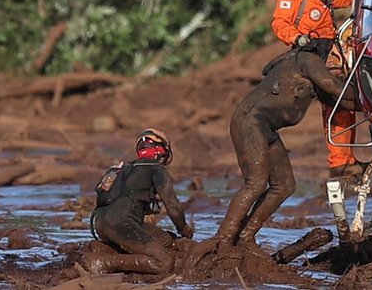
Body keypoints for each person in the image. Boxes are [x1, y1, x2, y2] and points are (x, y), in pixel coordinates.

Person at [214, 48, 357, 246]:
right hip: (250, 123)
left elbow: (342, 100)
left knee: (284, 186)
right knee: (255, 184)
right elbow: (332, 85)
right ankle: (222, 240)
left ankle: (245, 237)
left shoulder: (304, 71)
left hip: (265, 128)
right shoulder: (306, 58)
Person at [271, 0, 360, 179]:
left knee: (346, 101)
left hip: (330, 46)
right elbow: (280, 23)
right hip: (309, 52)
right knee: (335, 99)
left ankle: (347, 157)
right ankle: (338, 161)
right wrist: (297, 38)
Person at [86, 129, 193, 275]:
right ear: (161, 151)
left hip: (99, 224)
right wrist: (184, 229)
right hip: (121, 224)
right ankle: (103, 262)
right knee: (164, 263)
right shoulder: (157, 169)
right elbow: (173, 208)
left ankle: (104, 249)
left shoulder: (123, 169)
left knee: (167, 240)